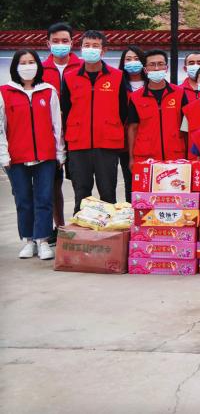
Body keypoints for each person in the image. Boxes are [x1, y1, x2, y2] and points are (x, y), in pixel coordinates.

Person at [1, 50, 64, 260]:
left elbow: (57, 125)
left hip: (45, 156)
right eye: (23, 62)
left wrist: (60, 153)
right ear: (15, 66)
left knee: (44, 198)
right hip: (16, 157)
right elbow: (1, 127)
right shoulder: (5, 92)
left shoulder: (48, 91)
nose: (28, 66)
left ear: (38, 65)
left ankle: (43, 240)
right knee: (23, 199)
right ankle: (28, 240)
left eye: (31, 62)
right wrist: (3, 155)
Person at [60, 30, 127, 212]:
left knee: (108, 194)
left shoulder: (117, 76)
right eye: (86, 45)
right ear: (80, 48)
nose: (90, 49)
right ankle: (81, 228)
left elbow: (123, 111)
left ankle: (109, 229)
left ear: (103, 51)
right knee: (81, 195)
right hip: (78, 143)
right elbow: (65, 110)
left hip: (107, 143)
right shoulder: (69, 77)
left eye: (95, 46)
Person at [41, 22, 79, 238]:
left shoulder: (82, 67)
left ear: (72, 43)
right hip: (51, 137)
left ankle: (82, 224)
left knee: (79, 183)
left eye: (65, 41)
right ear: (48, 44)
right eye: (55, 41)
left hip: (78, 135)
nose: (60, 44)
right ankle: (60, 227)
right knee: (53, 184)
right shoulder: (40, 70)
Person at [125, 50, 187, 163]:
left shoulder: (180, 93)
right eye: (152, 65)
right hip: (146, 157)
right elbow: (133, 128)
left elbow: (187, 126)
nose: (157, 68)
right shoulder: (135, 97)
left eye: (160, 64)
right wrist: (131, 158)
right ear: (145, 70)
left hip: (175, 156)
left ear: (166, 68)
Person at [116, 45, 146, 198]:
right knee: (131, 182)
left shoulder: (152, 84)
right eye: (128, 59)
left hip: (149, 140)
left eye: (136, 58)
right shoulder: (118, 84)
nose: (132, 62)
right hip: (127, 143)